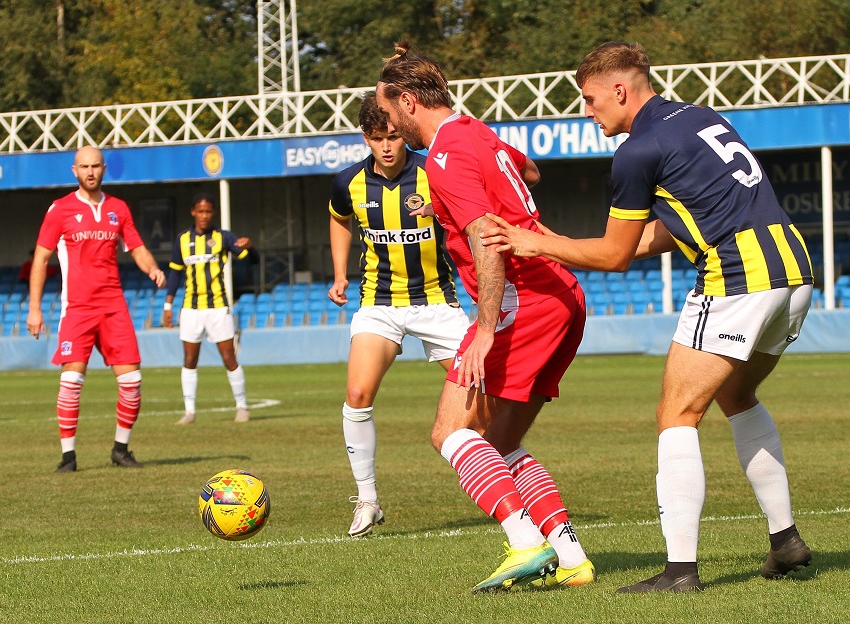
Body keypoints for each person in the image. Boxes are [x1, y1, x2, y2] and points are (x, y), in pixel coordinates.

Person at [480, 41, 815, 593]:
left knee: (676, 415)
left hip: (738, 277)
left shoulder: (637, 150)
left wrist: (533, 244)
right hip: (794, 270)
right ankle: (785, 540)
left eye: (590, 100)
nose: (587, 112)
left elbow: (613, 256)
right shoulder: (700, 117)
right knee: (736, 397)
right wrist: (557, 241)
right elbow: (668, 229)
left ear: (620, 90)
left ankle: (680, 572)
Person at [376, 42, 595, 593]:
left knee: (449, 432)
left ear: (408, 101)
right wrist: (451, 202)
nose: (387, 123)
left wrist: (483, 327)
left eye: (387, 110)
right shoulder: (476, 131)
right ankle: (571, 557)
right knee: (497, 443)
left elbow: (486, 241)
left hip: (523, 299)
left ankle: (525, 542)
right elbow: (532, 174)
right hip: (563, 295)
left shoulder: (445, 156)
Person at [328, 92, 470, 537]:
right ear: (366, 139)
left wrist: (442, 213)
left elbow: (470, 218)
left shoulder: (434, 171)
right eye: (376, 138)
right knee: (356, 394)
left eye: (392, 136)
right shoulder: (348, 182)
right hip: (379, 303)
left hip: (436, 301)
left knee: (484, 395)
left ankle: (511, 477)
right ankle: (367, 500)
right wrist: (338, 274)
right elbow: (338, 218)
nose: (387, 146)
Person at [26, 145, 166, 472]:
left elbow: (137, 247)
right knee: (72, 382)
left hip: (113, 305)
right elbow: (41, 259)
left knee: (132, 382)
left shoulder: (119, 208)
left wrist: (152, 269)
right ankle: (68, 457)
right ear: (74, 171)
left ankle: (121, 449)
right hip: (77, 308)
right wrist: (35, 308)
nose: (90, 172)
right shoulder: (59, 209)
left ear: (104, 168)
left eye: (96, 166)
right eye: (84, 167)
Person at [163, 192, 257, 425]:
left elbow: (250, 259)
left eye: (208, 211)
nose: (204, 216)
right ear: (193, 212)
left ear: (212, 213)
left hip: (217, 307)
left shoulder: (222, 237)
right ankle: (190, 411)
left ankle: (242, 407)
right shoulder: (182, 240)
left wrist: (250, 246)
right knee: (189, 358)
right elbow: (175, 273)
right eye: (200, 211)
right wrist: (168, 304)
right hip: (191, 309)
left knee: (228, 356)